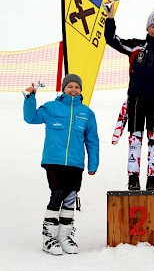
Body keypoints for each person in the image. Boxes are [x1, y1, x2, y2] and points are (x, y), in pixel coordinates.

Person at [104, 3, 154, 191]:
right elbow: (112, 39)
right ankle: (133, 177)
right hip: (136, 100)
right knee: (134, 138)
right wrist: (110, 18)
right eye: (153, 27)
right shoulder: (136, 46)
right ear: (147, 28)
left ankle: (153, 178)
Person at [23, 74, 99, 255]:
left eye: (77, 87)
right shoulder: (51, 107)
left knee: (70, 197)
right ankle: (48, 237)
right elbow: (30, 117)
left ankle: (64, 236)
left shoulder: (87, 113)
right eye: (70, 86)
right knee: (57, 194)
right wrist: (30, 97)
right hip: (53, 161)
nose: (73, 89)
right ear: (63, 88)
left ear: (81, 90)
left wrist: (93, 164)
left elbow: (92, 140)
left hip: (75, 163)